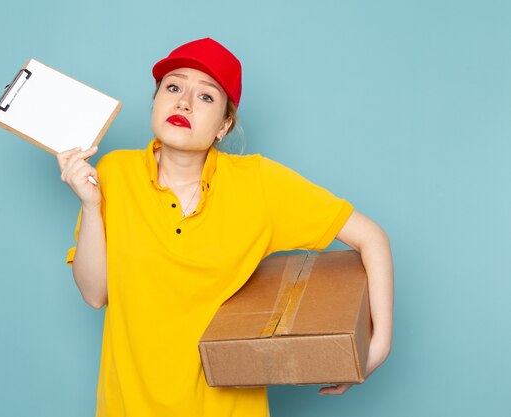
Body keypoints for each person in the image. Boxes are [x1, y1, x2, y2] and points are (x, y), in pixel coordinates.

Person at [57, 38, 393, 417]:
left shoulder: (258, 184)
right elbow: (94, 293)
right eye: (173, 87)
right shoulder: (114, 174)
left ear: (224, 125)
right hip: (127, 406)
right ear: (156, 101)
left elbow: (371, 237)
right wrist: (90, 205)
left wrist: (377, 346)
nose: (183, 102)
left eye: (205, 97)